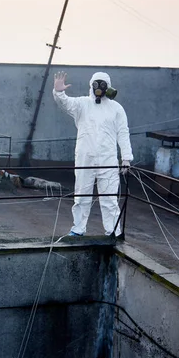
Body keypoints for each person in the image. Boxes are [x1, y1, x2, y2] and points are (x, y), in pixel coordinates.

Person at [52, 71, 133, 237]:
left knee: (110, 200)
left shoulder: (116, 108)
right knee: (81, 196)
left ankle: (113, 232)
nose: (99, 87)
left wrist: (126, 157)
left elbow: (123, 133)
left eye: (103, 84)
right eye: (97, 83)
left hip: (108, 160)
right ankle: (78, 228)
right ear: (92, 85)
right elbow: (65, 103)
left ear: (108, 86)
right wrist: (59, 92)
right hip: (85, 158)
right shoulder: (82, 104)